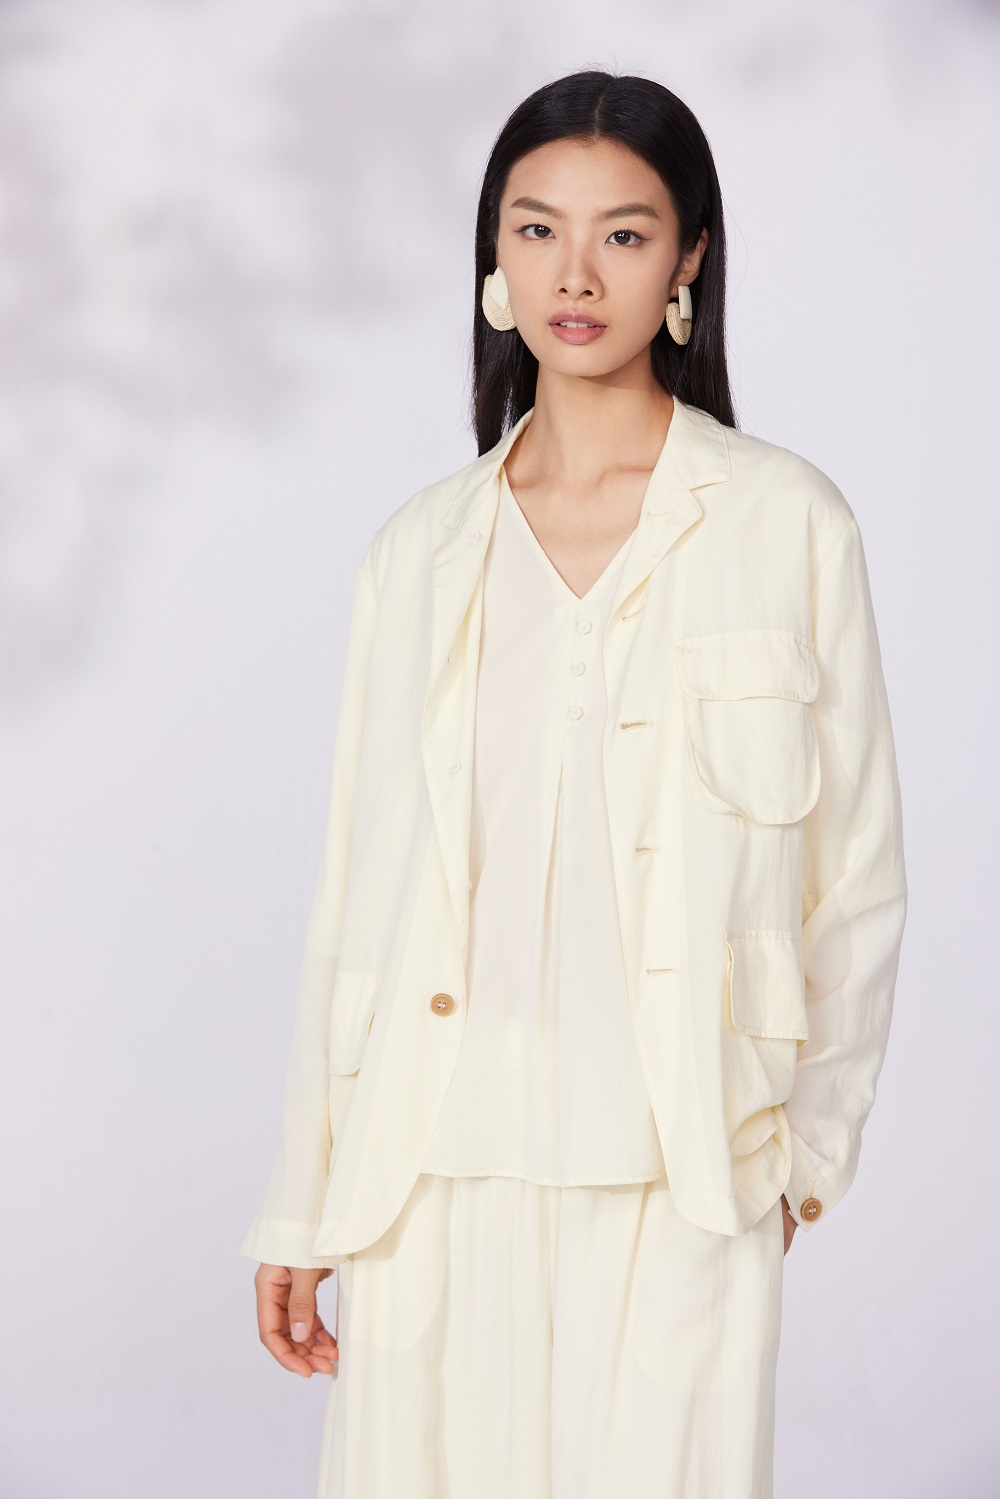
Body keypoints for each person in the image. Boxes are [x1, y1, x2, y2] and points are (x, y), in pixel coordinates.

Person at [241, 70, 908, 1499]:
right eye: (537, 229)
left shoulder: (786, 523)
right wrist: (304, 1197)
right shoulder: (422, 551)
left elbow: (856, 879)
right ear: (494, 255)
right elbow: (356, 897)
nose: (576, 275)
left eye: (625, 233)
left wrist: (802, 1160)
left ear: (689, 260)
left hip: (687, 1166)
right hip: (428, 1168)